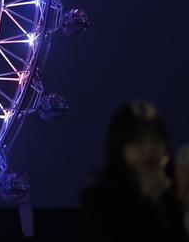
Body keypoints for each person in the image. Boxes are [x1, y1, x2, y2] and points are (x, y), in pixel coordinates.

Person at [80, 101, 189, 241]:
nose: (149, 150)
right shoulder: (98, 200)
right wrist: (150, 201)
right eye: (138, 141)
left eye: (156, 140)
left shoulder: (176, 192)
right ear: (121, 147)